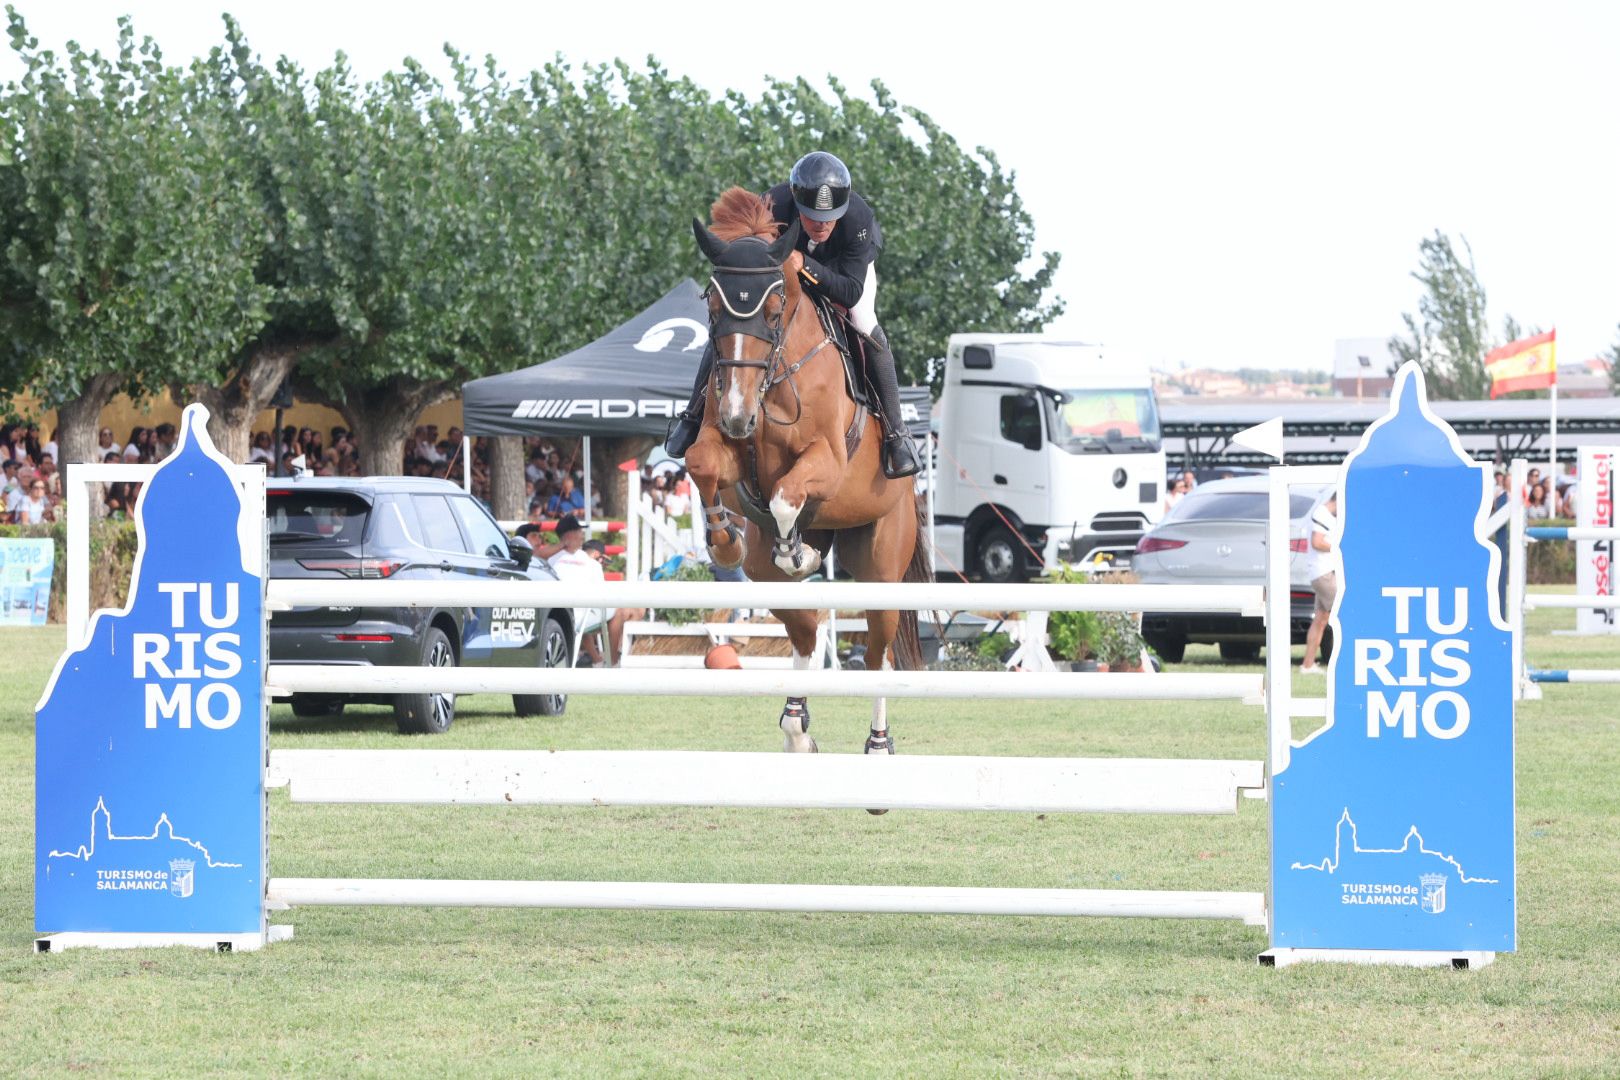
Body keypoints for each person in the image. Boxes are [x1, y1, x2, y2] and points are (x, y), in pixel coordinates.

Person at [665, 151, 920, 479]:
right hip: (785, 271)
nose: (822, 224)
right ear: (797, 203)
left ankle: (896, 434)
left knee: (865, 323)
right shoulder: (772, 205)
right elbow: (752, 262)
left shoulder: (857, 219)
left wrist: (808, 266)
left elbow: (850, 291)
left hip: (844, 274)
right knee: (737, 324)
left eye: (830, 217)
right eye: (813, 216)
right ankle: (693, 415)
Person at [1300, 491, 1338, 674]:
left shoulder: (1325, 515)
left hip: (1321, 573)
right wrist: (1339, 548)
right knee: (1344, 615)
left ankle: (1308, 664)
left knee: (1320, 620)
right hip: (1324, 574)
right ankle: (1344, 662)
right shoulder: (1322, 514)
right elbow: (1317, 542)